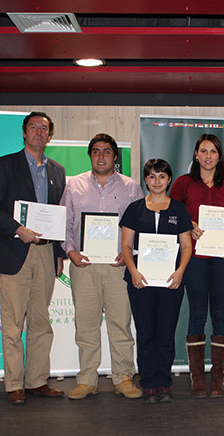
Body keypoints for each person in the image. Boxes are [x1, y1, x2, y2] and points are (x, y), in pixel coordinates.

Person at [0, 111, 67, 405]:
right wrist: (18, 230)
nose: (38, 133)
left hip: (45, 252)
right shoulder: (6, 164)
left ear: (49, 135)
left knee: (42, 322)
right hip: (15, 250)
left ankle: (37, 380)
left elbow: (56, 215)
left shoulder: (57, 170)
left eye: (44, 128)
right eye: (33, 127)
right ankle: (14, 384)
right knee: (13, 323)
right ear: (23, 132)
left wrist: (57, 252)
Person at [60, 133, 144, 400]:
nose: (101, 156)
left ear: (115, 156)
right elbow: (65, 221)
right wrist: (70, 251)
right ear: (90, 155)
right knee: (86, 325)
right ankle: (86, 379)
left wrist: (127, 253)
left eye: (106, 151)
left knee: (120, 323)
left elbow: (139, 225)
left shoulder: (131, 187)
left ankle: (124, 377)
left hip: (118, 265)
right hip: (83, 265)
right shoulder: (73, 185)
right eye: (95, 151)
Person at [170, 134, 224, 398]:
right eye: (203, 151)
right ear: (196, 155)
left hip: (223, 259)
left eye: (213, 151)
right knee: (197, 314)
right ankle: (197, 379)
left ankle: (218, 380)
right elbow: (171, 214)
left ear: (220, 156)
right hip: (195, 260)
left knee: (220, 313)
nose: (208, 156)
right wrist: (190, 225)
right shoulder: (183, 183)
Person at [120, 159, 193, 404]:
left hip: (171, 281)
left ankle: (164, 383)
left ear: (169, 179)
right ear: (146, 180)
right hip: (141, 281)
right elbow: (127, 246)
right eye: (152, 176)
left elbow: (186, 245)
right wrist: (134, 272)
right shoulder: (134, 209)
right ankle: (149, 383)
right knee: (146, 331)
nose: (157, 181)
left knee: (165, 332)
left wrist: (181, 271)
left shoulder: (179, 210)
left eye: (162, 176)